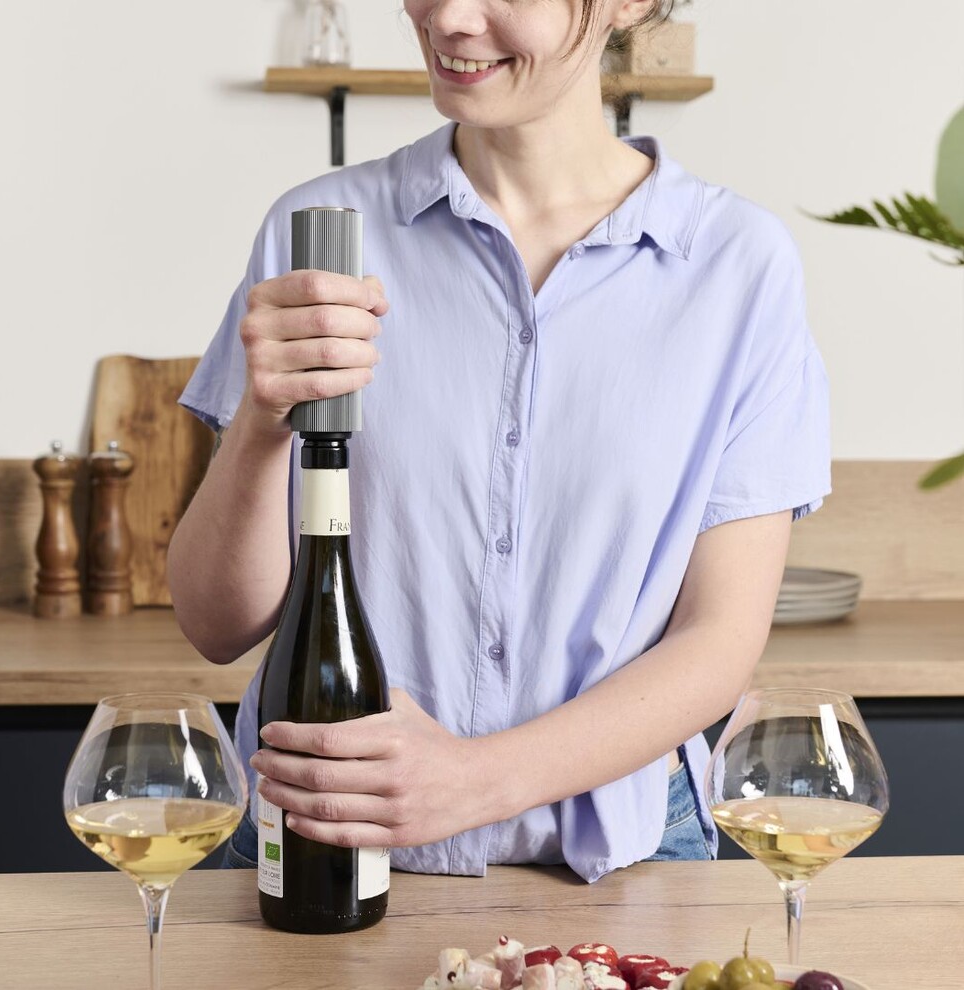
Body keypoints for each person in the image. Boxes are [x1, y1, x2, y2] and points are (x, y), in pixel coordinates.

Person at [167, 0, 830, 882]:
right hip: (324, 836)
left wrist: (473, 782)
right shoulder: (320, 233)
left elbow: (719, 640)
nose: (448, 17)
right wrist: (261, 422)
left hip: (618, 859)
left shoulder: (737, 266)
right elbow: (216, 624)